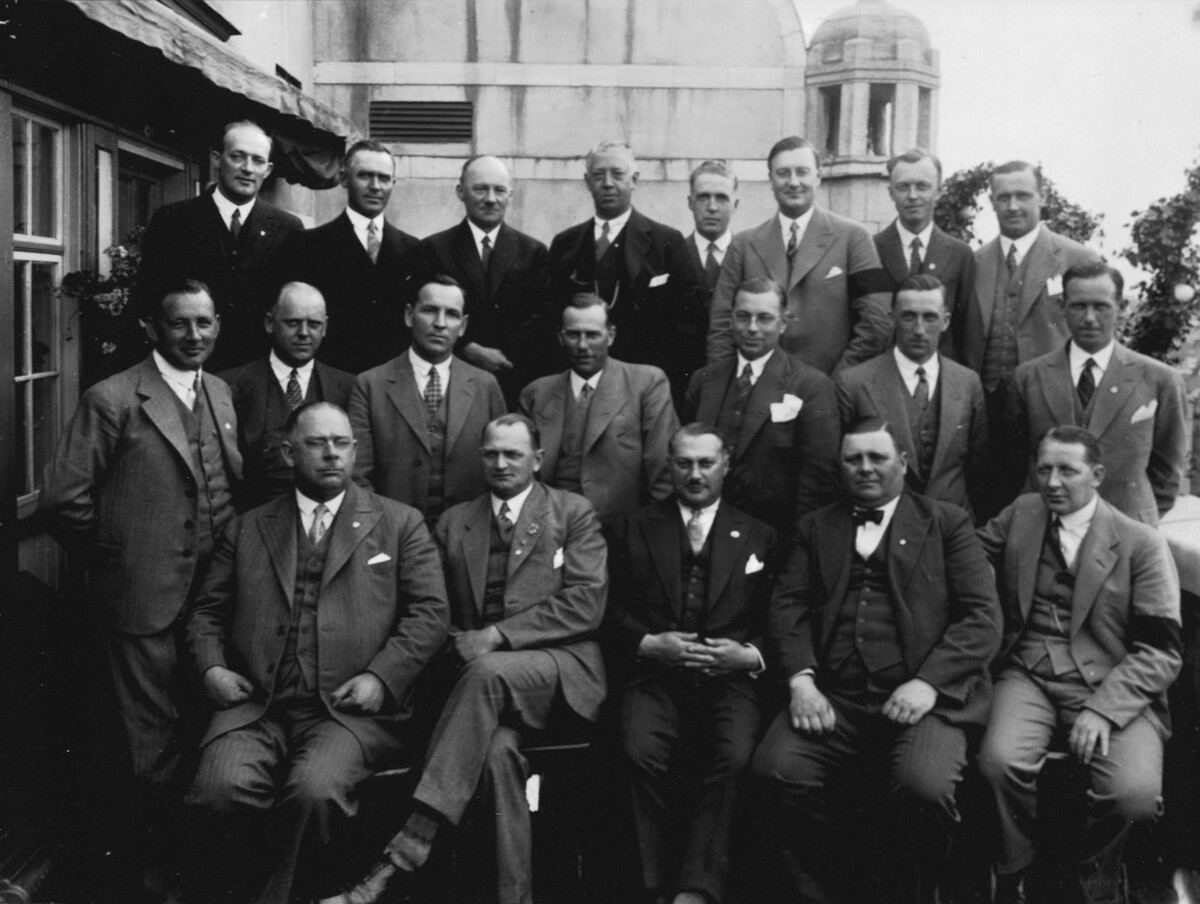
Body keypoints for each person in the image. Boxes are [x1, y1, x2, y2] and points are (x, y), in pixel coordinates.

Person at [327, 414, 608, 904]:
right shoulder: (455, 522)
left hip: (559, 673)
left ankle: (408, 847)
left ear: (537, 459)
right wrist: (461, 638)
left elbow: (586, 602)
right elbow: (434, 608)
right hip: (482, 699)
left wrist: (497, 635)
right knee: (496, 752)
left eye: (513, 454)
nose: (501, 463)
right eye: (491, 453)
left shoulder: (572, 512)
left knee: (486, 672)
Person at [184, 402, 449, 904]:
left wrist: (381, 677)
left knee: (316, 794)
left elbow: (431, 613)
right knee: (218, 789)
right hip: (257, 706)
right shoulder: (248, 527)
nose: (332, 454)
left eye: (341, 443)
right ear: (289, 453)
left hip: (345, 713)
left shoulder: (399, 523)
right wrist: (212, 668)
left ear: (355, 449)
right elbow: (205, 613)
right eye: (316, 443)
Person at [39, 280, 242, 898]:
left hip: (215, 603)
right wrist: (123, 562)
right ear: (152, 328)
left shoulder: (221, 392)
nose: (194, 335)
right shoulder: (113, 398)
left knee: (207, 735)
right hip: (143, 603)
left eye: (205, 322)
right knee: (149, 749)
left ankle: (197, 869)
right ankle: (153, 876)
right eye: (180, 323)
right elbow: (64, 501)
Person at [750, 418, 1000, 903]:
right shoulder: (815, 526)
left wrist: (929, 683)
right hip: (836, 697)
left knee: (924, 787)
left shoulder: (947, 523)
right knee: (775, 771)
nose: (865, 468)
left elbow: (982, 617)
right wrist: (801, 682)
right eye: (853, 459)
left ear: (902, 463)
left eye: (877, 457)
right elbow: (787, 607)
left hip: (924, 701)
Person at [976, 426, 1182, 904]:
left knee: (1134, 796)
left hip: (1110, 680)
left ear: (1097, 475)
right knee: (998, 763)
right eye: (1044, 469)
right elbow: (972, 555)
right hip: (1027, 672)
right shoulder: (1022, 514)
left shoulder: (1141, 543)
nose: (1052, 482)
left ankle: (1098, 882)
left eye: (1067, 471)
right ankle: (1015, 872)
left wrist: (1104, 710)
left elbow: (1161, 650)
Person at [603, 423, 776, 904]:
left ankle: (697, 889)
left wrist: (748, 654)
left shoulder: (760, 533)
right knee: (637, 748)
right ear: (669, 466)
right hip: (654, 674)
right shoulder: (629, 527)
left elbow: (780, 615)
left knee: (735, 755)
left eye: (706, 463)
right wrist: (647, 643)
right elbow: (605, 609)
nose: (695, 474)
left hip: (729, 679)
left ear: (726, 465)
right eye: (684, 463)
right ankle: (652, 886)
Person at [963, 161, 1100, 516]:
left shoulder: (1077, 258)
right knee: (990, 504)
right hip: (987, 412)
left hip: (1050, 405)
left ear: (1042, 198)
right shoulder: (974, 262)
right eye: (1003, 197)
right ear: (992, 202)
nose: (1012, 206)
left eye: (1022, 196)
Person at [1012, 262, 1187, 525]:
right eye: (1078, 306)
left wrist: (1139, 523)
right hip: (1048, 526)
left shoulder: (1160, 379)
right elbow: (1013, 465)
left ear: (1121, 307)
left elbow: (1168, 470)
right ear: (1063, 307)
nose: (1090, 318)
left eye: (1101, 306)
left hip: (1128, 527)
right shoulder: (1028, 378)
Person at [706, 135, 891, 374]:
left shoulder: (855, 238)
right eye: (783, 173)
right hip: (758, 388)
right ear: (770, 180)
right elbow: (721, 324)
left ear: (818, 177)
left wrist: (839, 382)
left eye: (802, 172)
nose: (793, 182)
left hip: (832, 385)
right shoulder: (743, 244)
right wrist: (732, 383)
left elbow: (877, 321)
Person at [136, 120, 303, 371]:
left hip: (260, 370)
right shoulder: (173, 220)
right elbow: (150, 297)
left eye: (257, 160)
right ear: (216, 158)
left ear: (268, 170)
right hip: (189, 365)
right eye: (238, 157)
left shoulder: (288, 228)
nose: (248, 168)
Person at [684, 277, 839, 538]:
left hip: (776, 534)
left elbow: (818, 479)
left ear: (783, 323)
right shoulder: (704, 380)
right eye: (743, 316)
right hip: (710, 533)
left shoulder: (811, 386)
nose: (752, 328)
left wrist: (798, 543)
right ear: (731, 319)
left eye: (765, 318)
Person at [348, 275, 505, 526]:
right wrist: (388, 529)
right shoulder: (370, 385)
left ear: (463, 326)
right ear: (409, 316)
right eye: (430, 310)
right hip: (392, 531)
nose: (440, 323)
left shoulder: (485, 386)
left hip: (469, 533)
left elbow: (502, 469)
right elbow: (357, 474)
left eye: (451, 314)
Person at [548, 139, 700, 397]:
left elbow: (687, 324)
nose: (607, 183)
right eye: (598, 175)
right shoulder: (565, 244)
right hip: (580, 383)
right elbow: (552, 318)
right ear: (587, 182)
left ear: (634, 180)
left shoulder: (666, 242)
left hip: (644, 384)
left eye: (617, 174)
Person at [835, 274, 987, 517]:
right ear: (891, 318)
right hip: (885, 526)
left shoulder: (968, 382)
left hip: (951, 525)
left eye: (930, 318)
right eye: (908, 317)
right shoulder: (854, 383)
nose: (919, 330)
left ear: (946, 321)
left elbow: (978, 467)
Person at [519, 293, 678, 520]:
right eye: (573, 335)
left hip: (624, 527)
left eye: (593, 335)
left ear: (610, 335)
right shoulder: (537, 394)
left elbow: (663, 469)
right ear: (560, 337)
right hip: (552, 524)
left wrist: (652, 531)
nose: (583, 345)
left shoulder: (646, 383)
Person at [279, 138, 430, 372]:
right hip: (332, 377)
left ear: (393, 183)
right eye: (365, 176)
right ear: (343, 179)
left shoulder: (414, 250)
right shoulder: (309, 245)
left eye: (384, 178)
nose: (375, 186)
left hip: (393, 380)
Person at [421, 155, 550, 404]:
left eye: (499, 190)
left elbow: (541, 318)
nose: (491, 199)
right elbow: (426, 316)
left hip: (513, 378)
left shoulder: (534, 252)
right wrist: (469, 348)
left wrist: (502, 356)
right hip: (451, 376)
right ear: (460, 192)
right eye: (480, 189)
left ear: (510, 194)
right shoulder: (433, 250)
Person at [219, 282, 356, 510]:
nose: (304, 333)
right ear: (269, 323)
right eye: (292, 323)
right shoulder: (228, 386)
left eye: (314, 324)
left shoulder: (350, 388)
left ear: (325, 327)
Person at [873, 148, 975, 361]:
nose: (912, 196)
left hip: (940, 373)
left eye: (922, 186)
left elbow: (965, 329)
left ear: (938, 191)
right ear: (890, 192)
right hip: (882, 371)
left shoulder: (960, 254)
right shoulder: (870, 249)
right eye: (903, 187)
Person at [683, 160, 741, 390]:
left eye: (722, 198)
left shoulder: (749, 255)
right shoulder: (673, 254)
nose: (712, 207)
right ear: (690, 202)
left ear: (735, 204)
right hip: (684, 379)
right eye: (703, 197)